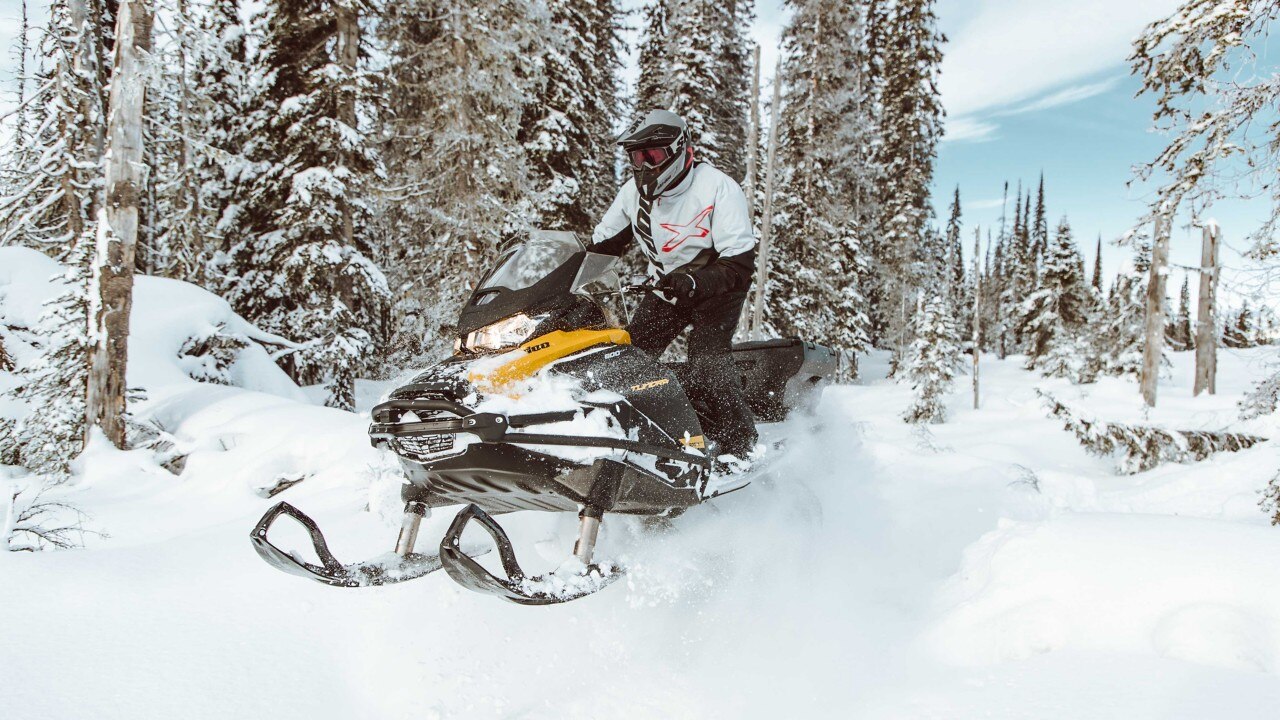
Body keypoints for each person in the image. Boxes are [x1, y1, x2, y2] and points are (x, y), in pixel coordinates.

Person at [591, 109, 759, 465]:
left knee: (707, 359)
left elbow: (740, 265)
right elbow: (602, 248)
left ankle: (741, 445)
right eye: (637, 157)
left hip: (719, 287)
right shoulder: (632, 195)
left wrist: (694, 280)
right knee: (628, 359)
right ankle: (638, 439)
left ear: (680, 149)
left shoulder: (717, 188)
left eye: (652, 155)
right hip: (667, 288)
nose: (644, 165)